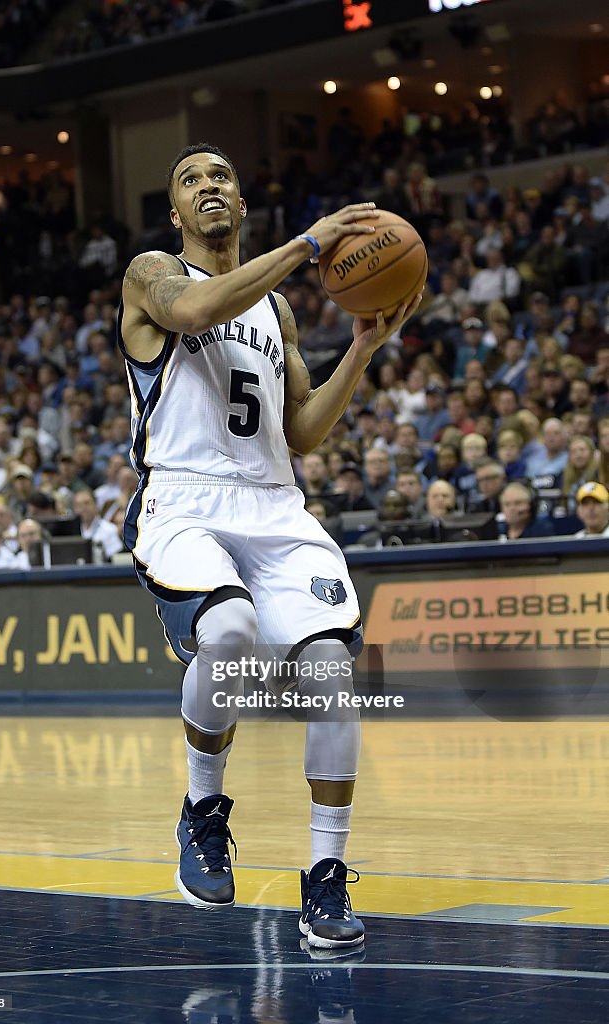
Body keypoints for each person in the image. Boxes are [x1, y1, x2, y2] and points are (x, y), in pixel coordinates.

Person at [119, 143, 422, 948]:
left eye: (222, 175)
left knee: (330, 675)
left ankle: (324, 877)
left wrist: (360, 348)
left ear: (240, 204)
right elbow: (192, 313)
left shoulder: (277, 312)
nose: (208, 185)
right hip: (184, 500)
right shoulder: (151, 274)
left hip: (275, 506)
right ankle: (203, 807)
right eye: (191, 179)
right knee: (229, 633)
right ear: (177, 214)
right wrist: (307, 246)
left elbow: (302, 435)